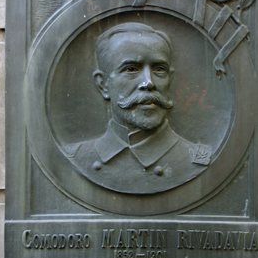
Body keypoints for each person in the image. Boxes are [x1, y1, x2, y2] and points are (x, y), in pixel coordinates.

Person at [66, 23, 212, 194]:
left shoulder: (196, 159)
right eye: (131, 69)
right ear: (103, 84)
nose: (148, 83)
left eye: (159, 69)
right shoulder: (75, 157)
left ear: (170, 78)